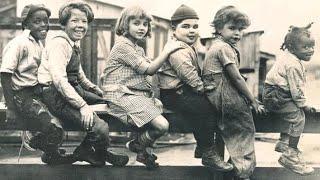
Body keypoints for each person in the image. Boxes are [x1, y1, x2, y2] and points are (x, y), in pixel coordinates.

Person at [37, 2, 129, 167]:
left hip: (72, 89)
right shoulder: (59, 43)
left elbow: (79, 75)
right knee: (100, 127)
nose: (80, 26)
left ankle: (91, 149)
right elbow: (59, 80)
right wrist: (82, 105)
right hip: (55, 94)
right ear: (64, 24)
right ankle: (95, 151)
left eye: (84, 21)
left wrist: (95, 90)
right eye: (75, 21)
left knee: (110, 103)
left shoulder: (74, 42)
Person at [100, 5, 181, 169]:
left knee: (155, 109)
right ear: (125, 25)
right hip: (120, 95)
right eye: (136, 23)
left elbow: (151, 67)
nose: (142, 28)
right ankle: (138, 144)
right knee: (162, 125)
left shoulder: (137, 48)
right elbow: (149, 70)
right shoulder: (123, 46)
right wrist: (166, 51)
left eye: (145, 24)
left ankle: (142, 153)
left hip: (134, 94)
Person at [158, 4, 233, 171]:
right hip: (174, 93)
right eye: (185, 26)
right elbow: (188, 75)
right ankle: (208, 152)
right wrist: (203, 89)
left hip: (183, 90)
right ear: (173, 28)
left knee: (211, 105)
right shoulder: (176, 49)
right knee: (205, 108)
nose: (191, 31)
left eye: (195, 27)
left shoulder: (186, 45)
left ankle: (203, 145)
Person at [0, 4, 74, 165]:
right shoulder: (19, 43)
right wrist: (11, 108)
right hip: (23, 95)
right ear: (26, 24)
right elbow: (5, 74)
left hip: (38, 92)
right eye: (37, 21)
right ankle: (37, 142)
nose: (43, 25)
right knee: (54, 128)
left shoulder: (39, 43)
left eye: (45, 21)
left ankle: (50, 151)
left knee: (65, 115)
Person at [202, 6, 264, 180]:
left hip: (217, 97)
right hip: (225, 97)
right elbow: (236, 79)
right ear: (218, 28)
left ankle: (237, 168)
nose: (237, 33)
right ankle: (243, 173)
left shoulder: (217, 46)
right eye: (232, 28)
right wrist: (253, 100)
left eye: (240, 29)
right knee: (244, 129)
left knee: (237, 133)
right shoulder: (223, 48)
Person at [263, 23, 316, 175]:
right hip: (276, 95)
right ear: (292, 48)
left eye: (312, 46)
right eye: (305, 47)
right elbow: (296, 90)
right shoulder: (293, 64)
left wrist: (297, 31)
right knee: (298, 117)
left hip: (273, 92)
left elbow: (293, 90)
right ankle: (290, 154)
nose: (310, 50)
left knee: (293, 110)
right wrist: (304, 105)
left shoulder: (289, 55)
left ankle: (283, 143)